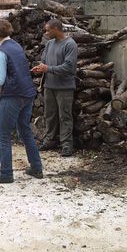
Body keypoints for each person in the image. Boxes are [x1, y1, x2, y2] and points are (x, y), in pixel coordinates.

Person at [0, 19, 43, 184]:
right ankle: (36, 168)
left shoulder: (0, 51)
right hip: (27, 93)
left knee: (2, 135)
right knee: (25, 131)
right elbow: (13, 70)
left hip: (13, 95)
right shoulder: (16, 45)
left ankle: (6, 174)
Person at [31, 19, 78, 157]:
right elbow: (44, 61)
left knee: (65, 116)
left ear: (56, 29)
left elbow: (69, 67)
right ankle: (50, 140)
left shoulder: (70, 44)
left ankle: (67, 145)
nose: (46, 33)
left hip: (64, 88)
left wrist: (48, 68)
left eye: (48, 30)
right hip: (49, 86)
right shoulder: (49, 44)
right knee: (50, 115)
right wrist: (40, 68)